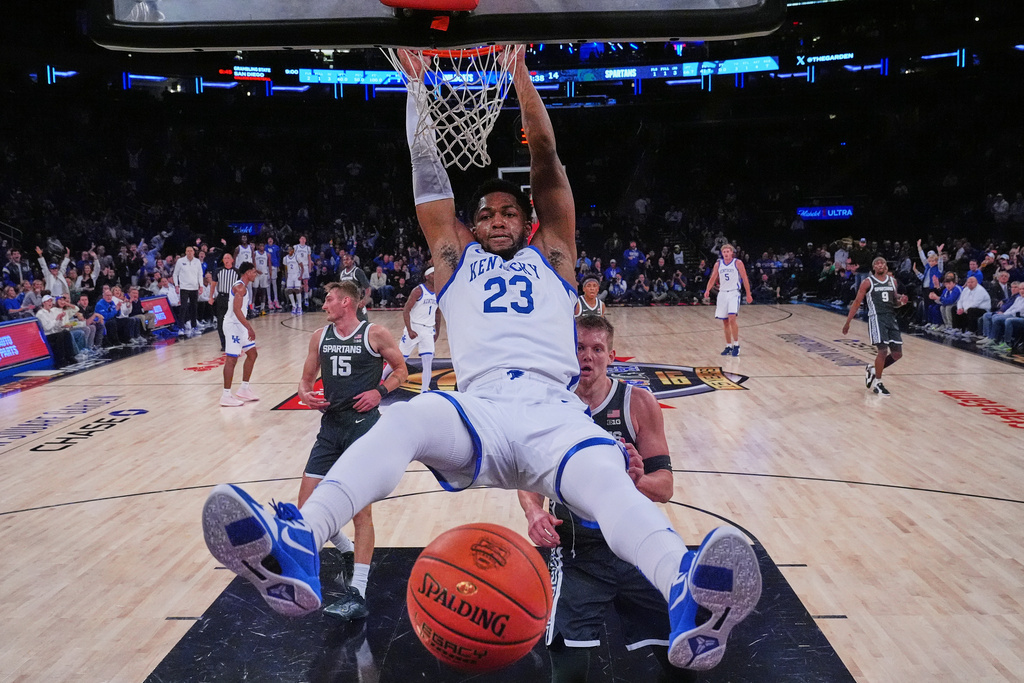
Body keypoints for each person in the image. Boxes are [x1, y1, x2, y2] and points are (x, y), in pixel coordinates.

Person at [202, 46, 761, 673]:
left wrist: (519, 77)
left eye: (508, 211)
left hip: (554, 415)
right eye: (485, 214)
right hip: (482, 410)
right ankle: (301, 540)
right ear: (470, 227)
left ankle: (683, 590)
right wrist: (417, 93)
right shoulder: (455, 262)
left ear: (526, 221)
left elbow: (547, 160)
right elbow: (427, 178)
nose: (496, 218)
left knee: (606, 478)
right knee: (408, 417)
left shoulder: (555, 257)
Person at [519, 316, 677, 681]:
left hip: (635, 546)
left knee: (681, 657)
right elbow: (529, 475)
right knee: (567, 664)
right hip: (578, 550)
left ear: (611, 355)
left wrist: (637, 481)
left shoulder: (637, 402)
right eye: (578, 347)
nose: (586, 356)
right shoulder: (549, 406)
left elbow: (665, 486)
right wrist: (532, 512)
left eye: (596, 349)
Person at [297, 281, 408, 621]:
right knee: (307, 509)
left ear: (347, 302)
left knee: (361, 513)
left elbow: (402, 371)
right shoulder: (320, 336)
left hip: (364, 430)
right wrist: (305, 394)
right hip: (330, 427)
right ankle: (346, 551)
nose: (324, 303)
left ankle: (357, 591)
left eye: (328, 298)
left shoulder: (374, 334)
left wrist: (379, 391)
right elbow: (305, 379)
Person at [842, 256, 909, 396]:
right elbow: (856, 302)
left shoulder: (893, 281)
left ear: (886, 266)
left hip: (891, 317)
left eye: (882, 263)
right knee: (883, 351)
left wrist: (901, 302)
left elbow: (894, 302)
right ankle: (878, 383)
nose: (880, 265)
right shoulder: (867, 282)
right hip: (877, 318)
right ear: (873, 268)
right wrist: (848, 322)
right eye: (877, 263)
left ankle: (873, 370)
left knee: (897, 354)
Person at [386, 267, 440, 396]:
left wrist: (437, 331)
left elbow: (438, 313)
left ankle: (424, 391)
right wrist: (409, 329)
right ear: (427, 276)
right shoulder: (418, 291)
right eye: (433, 274)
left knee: (428, 362)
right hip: (414, 327)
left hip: (428, 330)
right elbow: (406, 310)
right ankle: (380, 379)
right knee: (399, 359)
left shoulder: (438, 292)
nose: (435, 276)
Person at [220, 263, 260, 407]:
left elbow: (240, 312)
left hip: (240, 325)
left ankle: (244, 388)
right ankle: (226, 395)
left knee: (252, 354)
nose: (255, 275)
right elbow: (237, 310)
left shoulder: (244, 285)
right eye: (254, 272)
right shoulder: (240, 287)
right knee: (231, 359)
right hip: (233, 326)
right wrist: (249, 328)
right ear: (248, 272)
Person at [703, 244, 753, 356]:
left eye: (727, 251)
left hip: (734, 292)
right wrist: (707, 290)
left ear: (731, 253)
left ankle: (736, 345)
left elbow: (745, 278)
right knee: (725, 321)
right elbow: (713, 278)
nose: (726, 253)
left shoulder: (737, 263)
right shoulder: (718, 264)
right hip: (722, 293)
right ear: (722, 253)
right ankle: (728, 346)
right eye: (724, 252)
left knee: (732, 319)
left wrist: (748, 294)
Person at [173, 245, 203, 337]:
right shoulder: (180, 261)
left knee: (194, 307)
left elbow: (200, 274)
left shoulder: (197, 261)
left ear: (194, 252)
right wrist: (176, 285)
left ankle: (194, 326)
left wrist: (201, 286)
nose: (189, 252)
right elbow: (175, 274)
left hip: (194, 288)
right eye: (188, 251)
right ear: (185, 252)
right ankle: (181, 328)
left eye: (191, 251)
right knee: (183, 307)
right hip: (184, 288)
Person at [212, 253, 238, 351]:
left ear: (232, 260)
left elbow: (241, 286)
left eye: (228, 258)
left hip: (232, 298)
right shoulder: (218, 271)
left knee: (233, 321)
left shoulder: (237, 272)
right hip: (221, 297)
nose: (226, 260)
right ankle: (223, 344)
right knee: (221, 321)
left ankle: (233, 342)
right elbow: (213, 284)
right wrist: (211, 296)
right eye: (224, 258)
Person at [338, 253, 371, 322]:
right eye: (344, 260)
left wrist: (364, 300)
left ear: (352, 261)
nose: (345, 261)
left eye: (347, 259)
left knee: (363, 324)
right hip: (346, 304)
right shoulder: (342, 273)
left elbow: (368, 288)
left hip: (357, 303)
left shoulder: (358, 272)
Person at [283, 245, 304, 315]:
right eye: (288, 250)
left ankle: (300, 307)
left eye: (290, 249)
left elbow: (302, 267)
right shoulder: (285, 258)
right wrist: (286, 278)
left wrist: (301, 275)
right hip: (290, 275)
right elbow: (285, 269)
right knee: (289, 290)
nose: (289, 251)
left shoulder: (296, 257)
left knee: (297, 290)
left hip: (296, 274)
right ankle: (294, 306)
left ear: (293, 250)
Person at [294, 235, 313, 309]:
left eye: (304, 238)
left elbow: (309, 258)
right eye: (301, 238)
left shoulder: (308, 248)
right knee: (298, 283)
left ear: (305, 240)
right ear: (299, 240)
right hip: (298, 266)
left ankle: (306, 297)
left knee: (306, 282)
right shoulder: (296, 247)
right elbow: (294, 256)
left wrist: (309, 267)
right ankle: (298, 299)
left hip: (305, 266)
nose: (302, 239)